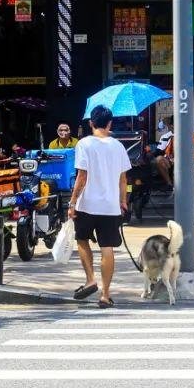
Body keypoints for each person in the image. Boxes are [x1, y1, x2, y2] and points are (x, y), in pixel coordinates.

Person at [68, 105, 131, 308]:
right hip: (110, 206)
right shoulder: (118, 146)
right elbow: (123, 179)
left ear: (91, 123)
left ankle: (90, 279)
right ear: (110, 123)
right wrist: (123, 201)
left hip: (87, 204)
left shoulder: (84, 144)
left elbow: (82, 176)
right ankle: (105, 294)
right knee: (107, 248)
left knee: (82, 240)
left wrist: (72, 202)